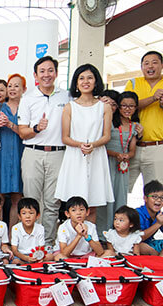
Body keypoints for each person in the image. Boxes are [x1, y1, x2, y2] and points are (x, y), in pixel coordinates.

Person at [17, 56, 70, 247]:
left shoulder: (67, 96)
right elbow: (22, 131)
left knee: (52, 202)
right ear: (35, 75)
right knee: (31, 200)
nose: (46, 75)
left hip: (58, 153)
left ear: (56, 73)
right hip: (33, 152)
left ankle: (47, 243)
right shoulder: (27, 99)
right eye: (42, 71)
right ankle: (31, 243)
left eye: (50, 70)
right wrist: (36, 129)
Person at [54, 63, 113, 223]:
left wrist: (93, 145)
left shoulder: (104, 107)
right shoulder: (69, 107)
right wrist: (80, 144)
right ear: (76, 83)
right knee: (74, 204)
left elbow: (106, 136)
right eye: (81, 78)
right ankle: (72, 244)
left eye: (89, 78)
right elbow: (65, 137)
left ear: (96, 82)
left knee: (92, 204)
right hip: (75, 156)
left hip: (96, 156)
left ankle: (89, 242)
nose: (85, 81)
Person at [124, 51, 163, 189]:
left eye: (154, 62)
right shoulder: (133, 84)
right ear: (141, 67)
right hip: (130, 146)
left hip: (157, 148)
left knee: (154, 193)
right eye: (146, 63)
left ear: (162, 65)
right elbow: (125, 107)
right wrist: (153, 98)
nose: (150, 66)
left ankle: (152, 212)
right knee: (121, 189)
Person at [99, 91, 141, 234]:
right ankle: (103, 233)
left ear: (136, 108)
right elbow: (102, 146)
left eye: (131, 106)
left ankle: (119, 233)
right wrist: (116, 154)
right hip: (108, 162)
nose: (127, 109)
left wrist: (126, 156)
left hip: (123, 166)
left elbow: (132, 150)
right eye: (123, 105)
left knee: (120, 197)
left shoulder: (134, 126)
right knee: (106, 198)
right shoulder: (109, 122)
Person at [0, 74, 27, 227]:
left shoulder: (27, 107)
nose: (12, 89)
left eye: (16, 86)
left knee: (17, 198)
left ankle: (12, 234)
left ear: (23, 89)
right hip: (1, 157)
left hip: (21, 155)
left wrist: (10, 124)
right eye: (10, 86)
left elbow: (28, 132)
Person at [54, 196, 104, 260]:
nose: (78, 213)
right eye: (73, 210)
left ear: (87, 212)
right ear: (67, 214)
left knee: (109, 253)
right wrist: (79, 235)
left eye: (81, 209)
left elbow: (100, 252)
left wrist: (86, 236)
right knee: (59, 257)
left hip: (86, 255)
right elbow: (64, 253)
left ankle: (79, 263)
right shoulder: (63, 227)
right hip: (68, 256)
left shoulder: (91, 226)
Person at [10, 197, 54, 264]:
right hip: (21, 256)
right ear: (19, 216)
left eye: (31, 213)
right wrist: (26, 258)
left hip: (35, 255)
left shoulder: (40, 228)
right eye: (24, 213)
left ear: (37, 215)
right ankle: (27, 265)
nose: (27, 216)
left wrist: (38, 257)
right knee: (16, 261)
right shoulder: (15, 228)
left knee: (50, 256)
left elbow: (41, 247)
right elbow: (14, 250)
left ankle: (33, 264)